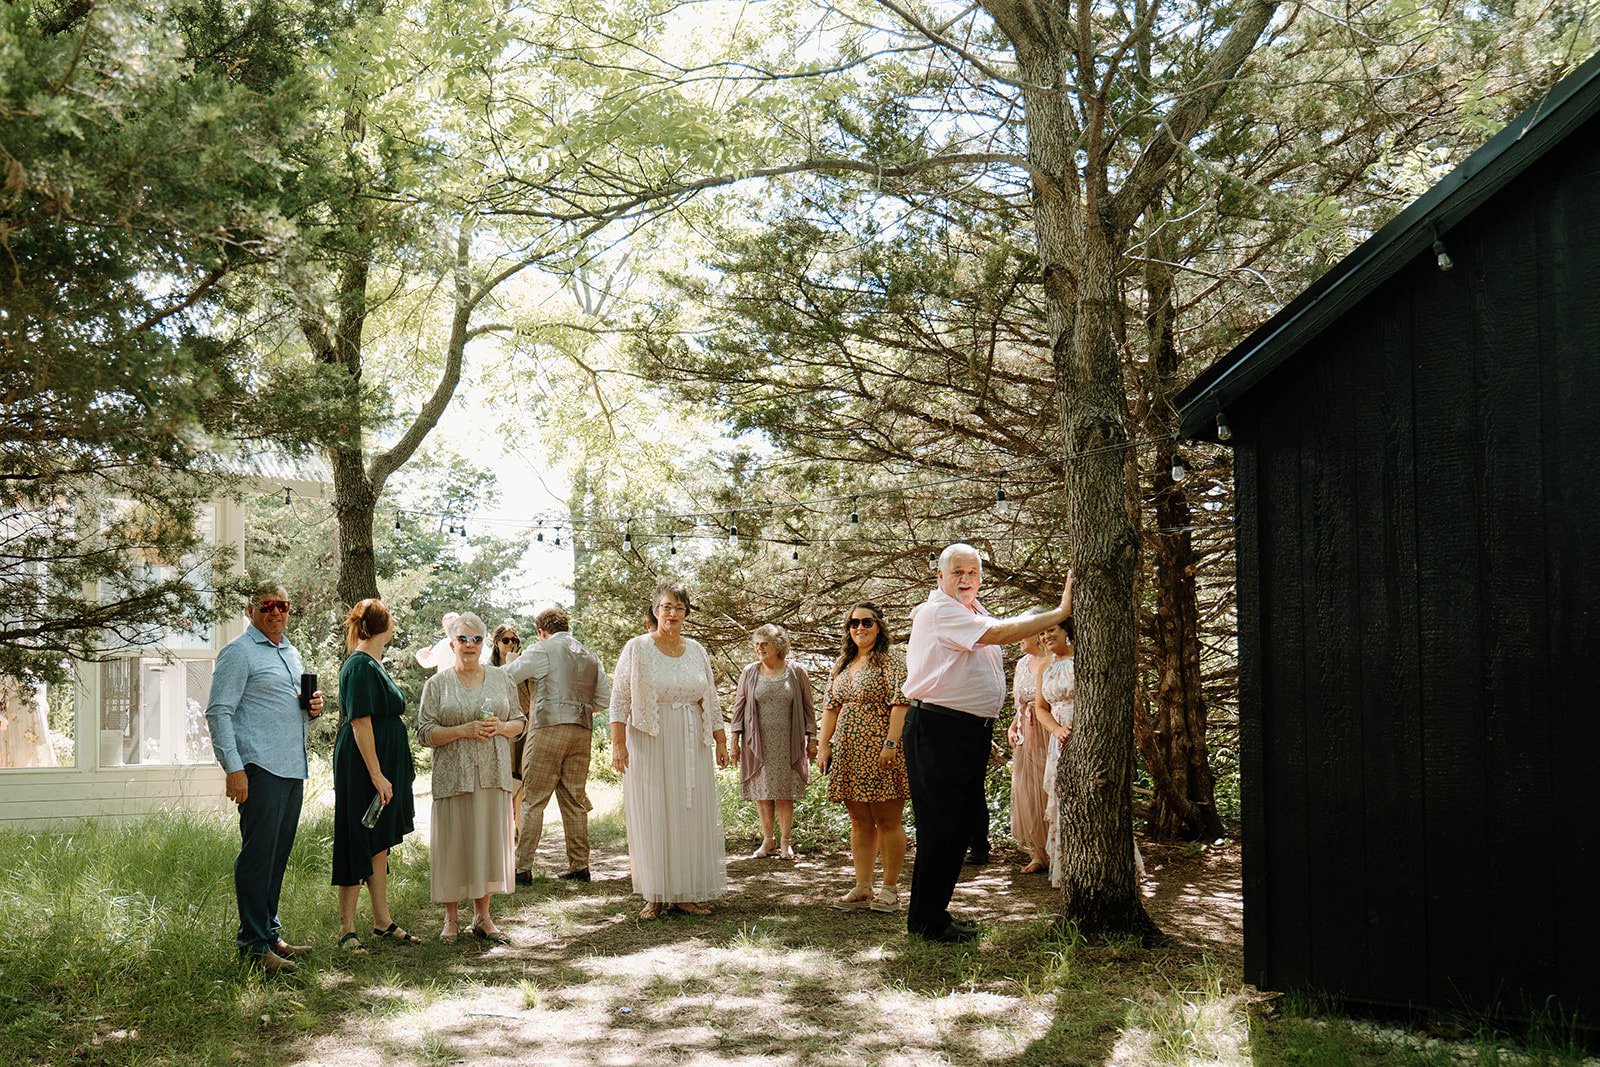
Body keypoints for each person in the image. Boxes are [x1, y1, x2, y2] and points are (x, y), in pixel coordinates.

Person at [901, 544, 1073, 943]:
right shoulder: (939, 611)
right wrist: (1060, 613)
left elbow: (998, 630)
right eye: (958, 572)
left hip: (964, 730)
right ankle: (926, 920)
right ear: (940, 577)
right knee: (941, 827)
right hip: (939, 726)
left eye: (973, 573)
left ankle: (934, 913)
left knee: (959, 827)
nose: (966, 579)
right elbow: (999, 633)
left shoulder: (971, 610)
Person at [205, 582, 325, 973]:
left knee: (277, 855)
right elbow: (219, 712)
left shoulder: (289, 651)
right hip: (260, 767)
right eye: (267, 606)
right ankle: (253, 946)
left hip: (291, 766)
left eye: (283, 606)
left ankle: (270, 934)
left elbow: (284, 706)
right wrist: (233, 768)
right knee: (258, 856)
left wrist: (312, 708)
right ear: (251, 610)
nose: (276, 612)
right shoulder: (238, 653)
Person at [608, 581, 729, 919]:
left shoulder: (697, 650)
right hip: (650, 737)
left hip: (691, 737)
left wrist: (720, 739)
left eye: (679, 608)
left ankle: (685, 892)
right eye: (666, 607)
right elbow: (619, 698)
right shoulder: (637, 648)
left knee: (688, 811)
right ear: (655, 611)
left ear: (686, 613)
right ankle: (656, 893)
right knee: (655, 810)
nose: (672, 613)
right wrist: (618, 743)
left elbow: (711, 698)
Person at [417, 612, 526, 943]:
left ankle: (482, 916)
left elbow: (520, 722)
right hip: (453, 775)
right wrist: (461, 731)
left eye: (476, 639)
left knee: (486, 842)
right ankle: (451, 918)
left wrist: (502, 728)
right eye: (462, 639)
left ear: (484, 644)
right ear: (452, 644)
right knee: (454, 844)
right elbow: (424, 732)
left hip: (492, 773)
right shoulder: (436, 684)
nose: (469, 645)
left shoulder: (501, 679)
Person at [331, 598, 419, 952]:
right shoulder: (359, 667)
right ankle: (347, 929)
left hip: (380, 764)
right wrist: (378, 774)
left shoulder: (374, 663)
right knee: (357, 837)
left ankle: (382, 920)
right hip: (363, 767)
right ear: (386, 626)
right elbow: (360, 722)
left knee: (378, 840)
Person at [1034, 616, 1144, 886]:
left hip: (1089, 731)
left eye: (1051, 630)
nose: (1046, 637)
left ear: (1066, 631)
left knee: (1095, 793)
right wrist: (1056, 730)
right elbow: (1040, 708)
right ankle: (1069, 866)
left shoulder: (1084, 659)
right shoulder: (1044, 667)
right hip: (1059, 737)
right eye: (1041, 634)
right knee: (1065, 798)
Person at [506, 606, 612, 883]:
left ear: (541, 630)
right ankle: (580, 866)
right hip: (582, 730)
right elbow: (602, 700)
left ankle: (521, 867)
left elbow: (508, 677)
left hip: (548, 727)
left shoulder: (542, 650)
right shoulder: (590, 655)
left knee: (533, 799)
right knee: (574, 799)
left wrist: (509, 659)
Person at [817, 602, 910, 913]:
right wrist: (823, 745)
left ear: (879, 625)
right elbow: (831, 707)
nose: (859, 628)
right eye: (853, 623)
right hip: (848, 750)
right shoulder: (843, 663)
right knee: (859, 820)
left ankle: (890, 888)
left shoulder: (890, 661)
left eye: (866, 622)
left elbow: (900, 703)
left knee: (887, 819)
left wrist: (891, 743)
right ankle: (862, 886)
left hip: (881, 747)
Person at [729, 624, 817, 860]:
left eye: (764, 644)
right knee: (763, 791)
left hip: (788, 740)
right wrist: (733, 741)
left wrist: (813, 738)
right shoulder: (749, 671)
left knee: (785, 792)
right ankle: (768, 841)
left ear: (778, 645)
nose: (759, 648)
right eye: (756, 644)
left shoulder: (796, 671)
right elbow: (738, 708)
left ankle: (786, 842)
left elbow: (809, 708)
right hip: (756, 740)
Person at [1008, 627, 1052, 874]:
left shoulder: (1053, 659)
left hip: (1047, 728)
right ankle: (1038, 854)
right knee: (1027, 790)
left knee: (1047, 788)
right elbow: (1019, 703)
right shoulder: (1023, 663)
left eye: (1024, 633)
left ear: (1037, 635)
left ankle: (1057, 850)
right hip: (1026, 729)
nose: (1019, 639)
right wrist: (1013, 726)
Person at [489, 622, 533, 838]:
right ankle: (503, 829)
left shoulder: (523, 666)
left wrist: (513, 665)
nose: (510, 644)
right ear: (496, 643)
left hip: (522, 730)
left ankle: (520, 831)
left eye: (514, 640)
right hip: (497, 731)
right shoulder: (487, 669)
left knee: (521, 780)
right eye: (506, 640)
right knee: (502, 780)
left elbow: (527, 701)